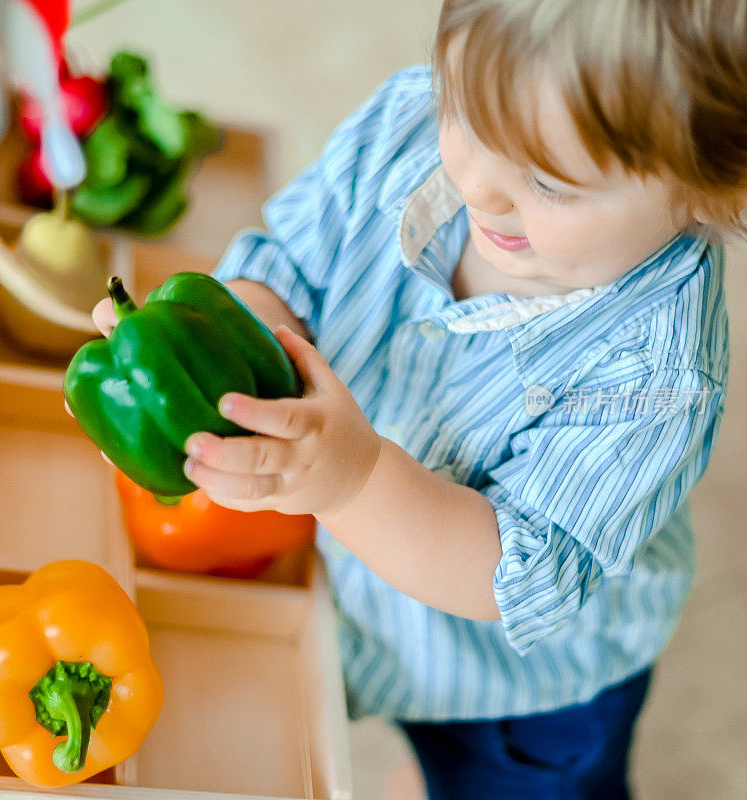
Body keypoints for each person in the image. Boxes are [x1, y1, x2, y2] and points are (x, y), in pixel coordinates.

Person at [92, 1, 739, 797]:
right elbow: (287, 266)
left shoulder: (660, 374)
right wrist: (202, 350)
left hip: (529, 693)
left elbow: (511, 572)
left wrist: (352, 481)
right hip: (375, 608)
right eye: (465, 111)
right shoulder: (406, 123)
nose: (479, 187)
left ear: (715, 189)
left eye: (547, 181)